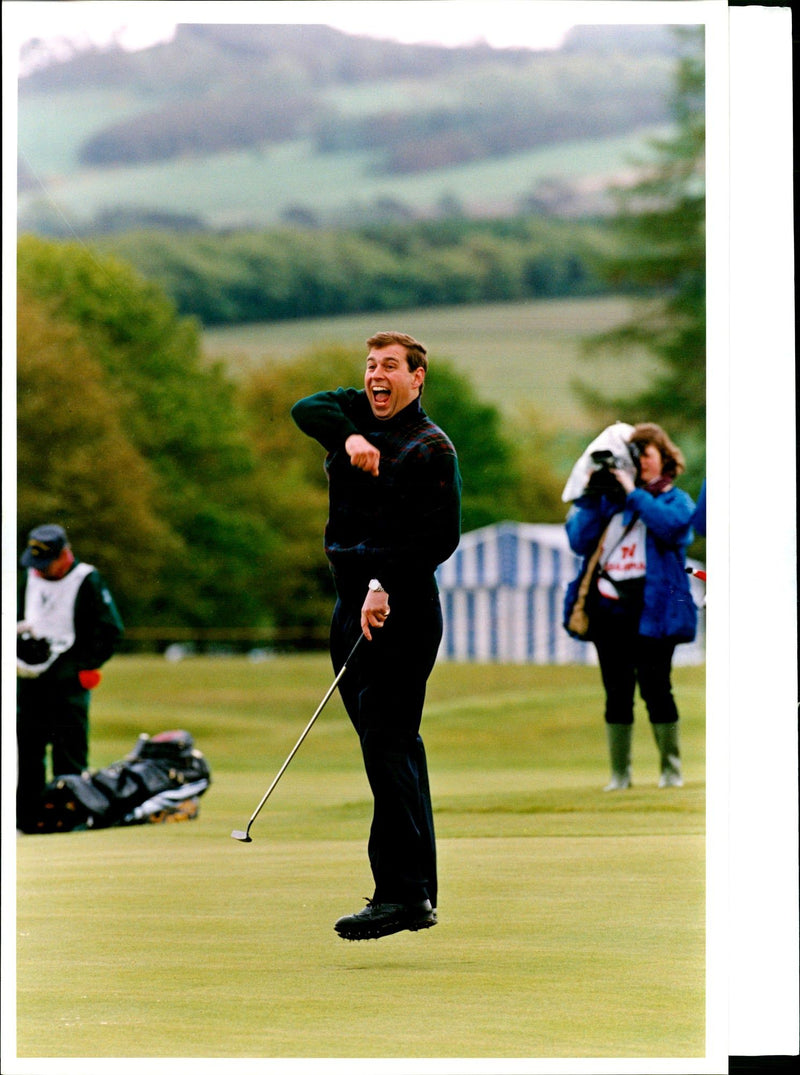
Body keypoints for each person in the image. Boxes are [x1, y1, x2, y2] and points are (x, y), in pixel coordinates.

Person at [292, 331, 462, 940]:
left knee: (388, 744)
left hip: (401, 605)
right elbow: (306, 407)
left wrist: (383, 581)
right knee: (391, 747)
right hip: (350, 603)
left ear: (418, 378)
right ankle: (416, 891)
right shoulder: (354, 414)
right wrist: (350, 436)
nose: (376, 375)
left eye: (390, 366)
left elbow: (438, 538)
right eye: (370, 366)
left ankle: (401, 894)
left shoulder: (430, 447)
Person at [564, 424, 697, 791]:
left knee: (657, 687)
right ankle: (619, 775)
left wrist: (634, 493)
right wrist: (592, 496)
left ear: (665, 459)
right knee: (616, 690)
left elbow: (674, 530)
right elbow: (578, 540)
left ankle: (671, 770)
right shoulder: (611, 504)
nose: (641, 463)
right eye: (635, 457)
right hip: (610, 609)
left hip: (654, 609)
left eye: (647, 455)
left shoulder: (675, 499)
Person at [17, 524, 124, 832]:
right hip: (30, 678)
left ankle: (69, 819)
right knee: (27, 751)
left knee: (69, 752)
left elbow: (110, 631)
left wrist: (82, 666)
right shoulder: (31, 576)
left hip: (68, 679)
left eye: (46, 562)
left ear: (64, 555)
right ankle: (27, 819)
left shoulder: (87, 579)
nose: (39, 570)